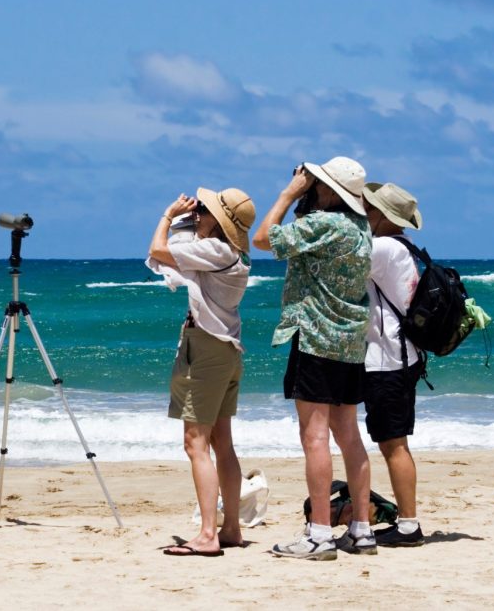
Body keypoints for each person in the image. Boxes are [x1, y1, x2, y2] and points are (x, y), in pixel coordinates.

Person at [252, 157, 374, 560]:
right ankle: (361, 530)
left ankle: (320, 533)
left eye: (317, 182)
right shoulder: (360, 227)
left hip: (316, 338)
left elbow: (263, 239)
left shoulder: (323, 224)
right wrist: (307, 200)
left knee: (315, 436)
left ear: (331, 190)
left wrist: (288, 194)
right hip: (350, 343)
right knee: (349, 436)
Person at [147, 187, 256, 557]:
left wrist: (169, 214)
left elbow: (158, 250)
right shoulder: (230, 253)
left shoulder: (215, 251)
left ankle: (208, 535)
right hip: (226, 348)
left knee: (195, 443)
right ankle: (231, 528)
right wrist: (193, 220)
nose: (198, 214)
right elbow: (178, 247)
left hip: (207, 348)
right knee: (222, 443)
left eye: (205, 210)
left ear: (220, 221)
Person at [363, 182, 427, 547]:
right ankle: (406, 521)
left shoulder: (384, 247)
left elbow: (343, 263)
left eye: (369, 208)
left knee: (393, 444)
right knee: (393, 441)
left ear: (383, 216)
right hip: (403, 355)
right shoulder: (403, 245)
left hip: (389, 358)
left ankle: (408, 525)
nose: (364, 213)